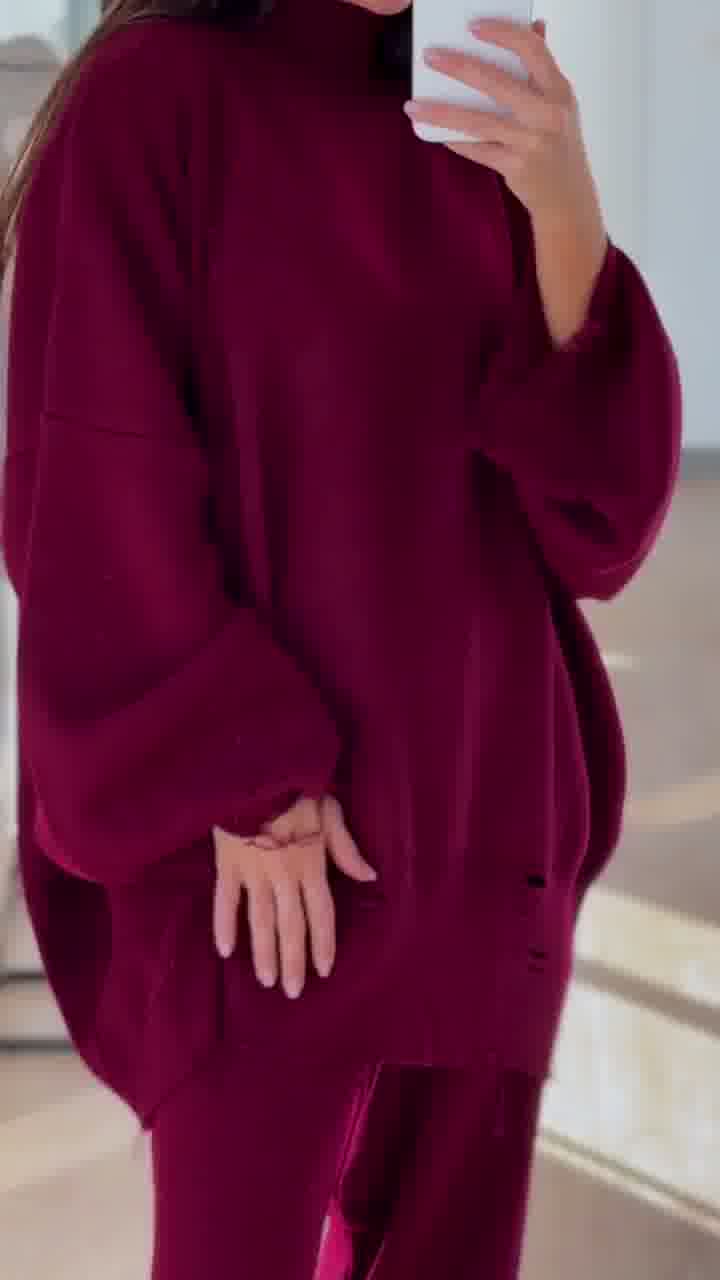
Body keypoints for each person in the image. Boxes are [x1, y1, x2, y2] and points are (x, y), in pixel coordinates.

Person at [0, 1, 681, 1276]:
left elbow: (601, 521)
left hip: (490, 849)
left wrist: (564, 206)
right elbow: (94, 480)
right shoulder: (153, 101)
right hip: (270, 878)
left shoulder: (481, 113)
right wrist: (243, 780)